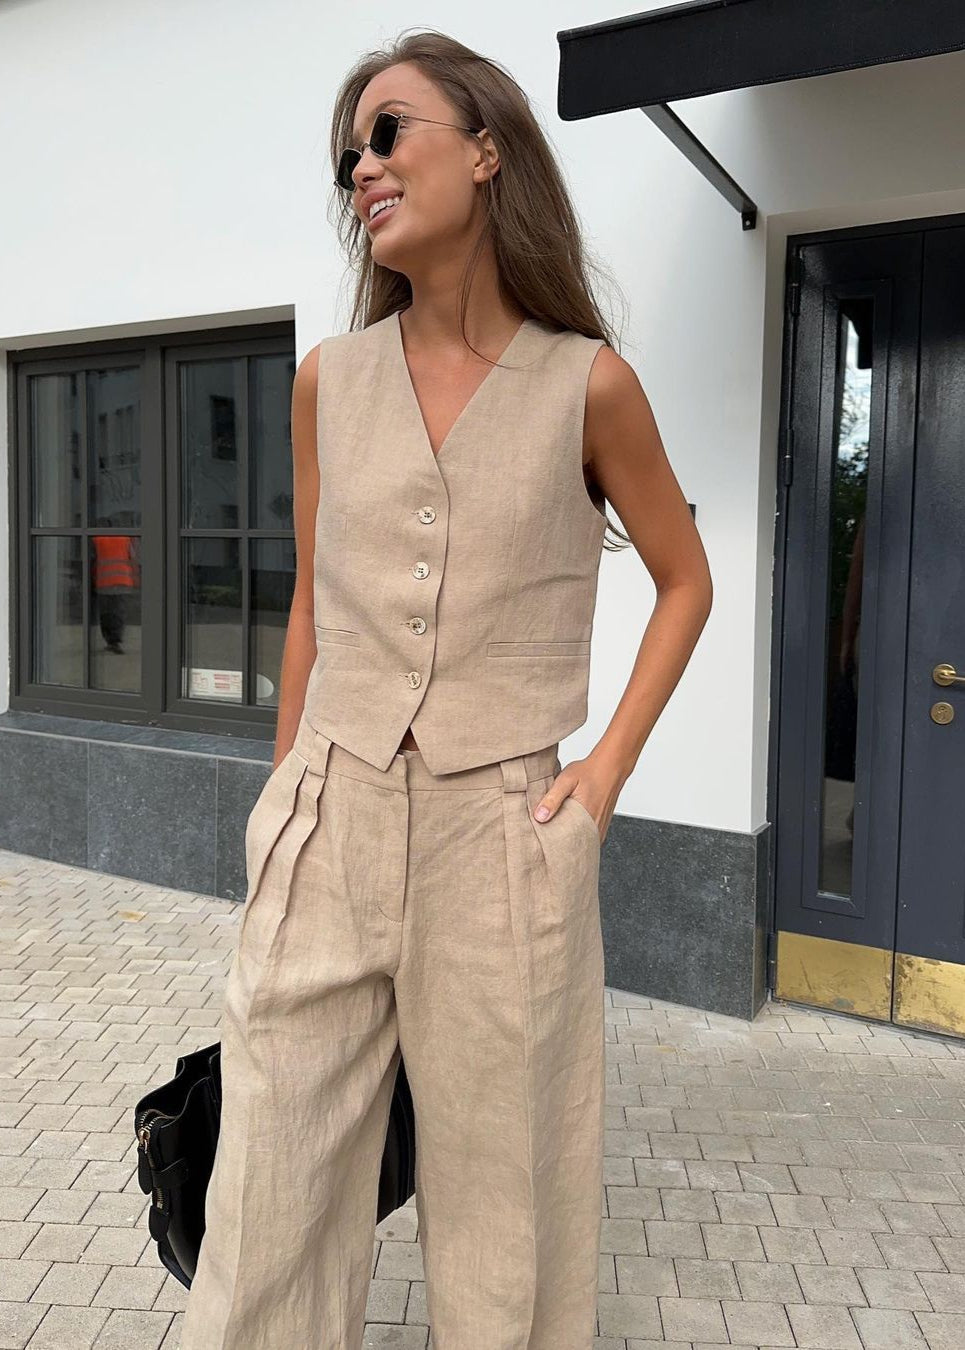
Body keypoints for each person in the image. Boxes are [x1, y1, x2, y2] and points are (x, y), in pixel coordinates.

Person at [179, 28, 712, 1350]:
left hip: (503, 835)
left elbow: (685, 580)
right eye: (347, 154)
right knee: (268, 1190)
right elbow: (313, 601)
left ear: (485, 151)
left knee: (504, 1206)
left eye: (387, 131)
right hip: (330, 813)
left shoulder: (587, 385)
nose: (361, 166)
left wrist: (601, 779)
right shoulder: (328, 379)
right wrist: (282, 791)